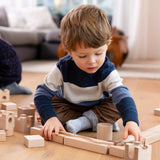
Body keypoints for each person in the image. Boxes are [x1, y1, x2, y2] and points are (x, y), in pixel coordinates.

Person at [34, 4, 141, 141]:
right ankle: (95, 122)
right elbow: (41, 94)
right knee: (49, 109)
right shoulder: (62, 68)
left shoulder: (107, 70)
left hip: (98, 106)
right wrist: (51, 118)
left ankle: (83, 123)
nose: (92, 61)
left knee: (118, 104)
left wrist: (132, 122)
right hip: (68, 106)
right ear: (70, 51)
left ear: (107, 44)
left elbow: (123, 95)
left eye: (98, 53)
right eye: (83, 56)